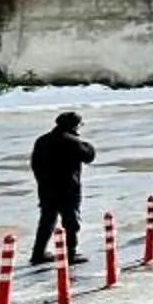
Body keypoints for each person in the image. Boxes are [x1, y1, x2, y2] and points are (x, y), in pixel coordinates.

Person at [29, 110, 94, 266]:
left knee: (47, 220)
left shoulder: (42, 141)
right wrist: (86, 144)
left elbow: (34, 164)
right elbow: (89, 156)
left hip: (46, 188)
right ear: (74, 126)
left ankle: (38, 253)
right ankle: (70, 254)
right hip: (68, 188)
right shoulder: (72, 142)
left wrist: (42, 181)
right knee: (71, 221)